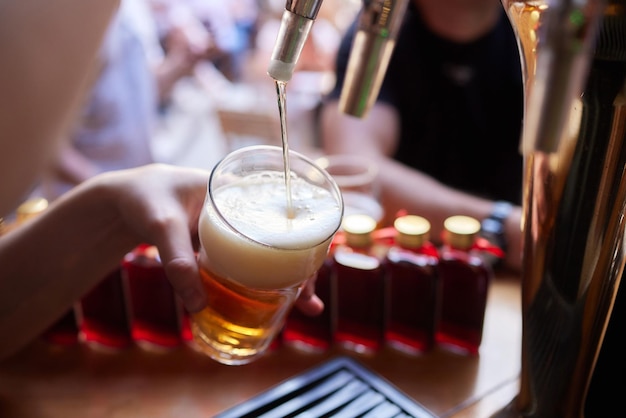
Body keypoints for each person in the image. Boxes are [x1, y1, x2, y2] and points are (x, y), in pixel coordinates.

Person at [0, 0, 322, 362]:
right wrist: (108, 185)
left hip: (105, 218)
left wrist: (119, 202)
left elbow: (135, 95)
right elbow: (39, 148)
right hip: (65, 212)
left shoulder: (131, 14)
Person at [319, 0, 524, 271]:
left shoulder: (539, 41)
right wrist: (504, 224)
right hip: (402, 272)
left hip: (513, 281)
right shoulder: (377, 31)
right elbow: (354, 170)